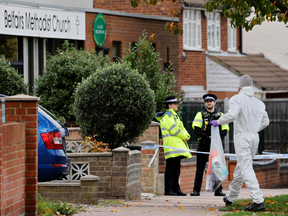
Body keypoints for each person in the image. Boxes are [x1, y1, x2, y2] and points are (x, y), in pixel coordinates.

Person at [211, 75, 269, 212]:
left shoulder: (236, 99)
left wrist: (218, 122)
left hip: (242, 137)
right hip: (255, 136)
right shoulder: (259, 103)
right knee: (241, 168)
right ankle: (231, 197)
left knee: (246, 167)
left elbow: (232, 115)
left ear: (240, 86)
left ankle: (258, 200)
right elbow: (266, 122)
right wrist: (254, 129)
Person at [190, 93, 229, 196]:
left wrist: (216, 140)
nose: (209, 103)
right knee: (200, 168)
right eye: (207, 102)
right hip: (203, 144)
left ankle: (218, 190)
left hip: (216, 146)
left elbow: (225, 130)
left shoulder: (220, 115)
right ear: (205, 103)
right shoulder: (200, 114)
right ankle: (196, 190)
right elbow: (196, 128)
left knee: (217, 168)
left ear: (214, 103)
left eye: (211, 101)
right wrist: (206, 138)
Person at [155, 95, 192, 196]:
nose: (176, 105)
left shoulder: (175, 116)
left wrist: (187, 135)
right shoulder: (167, 116)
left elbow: (182, 128)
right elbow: (175, 129)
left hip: (177, 145)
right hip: (172, 146)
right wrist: (184, 136)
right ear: (169, 105)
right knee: (171, 168)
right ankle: (169, 190)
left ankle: (176, 189)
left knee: (176, 168)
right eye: (174, 103)